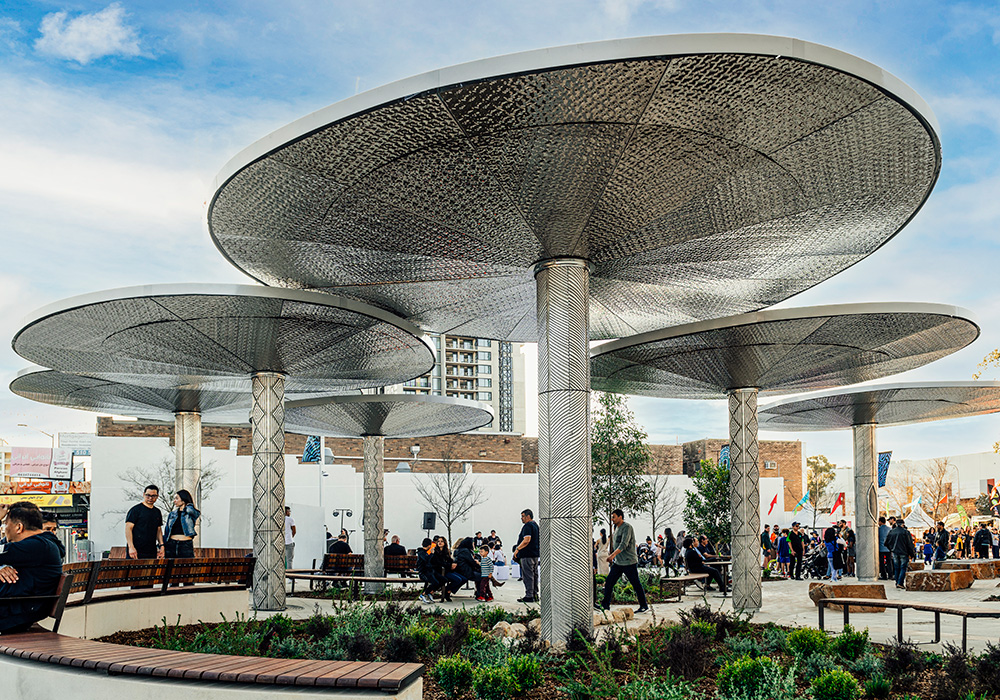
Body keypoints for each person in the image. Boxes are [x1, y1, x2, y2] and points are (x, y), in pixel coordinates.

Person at [0, 501, 64, 633]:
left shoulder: (36, 546)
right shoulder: (42, 544)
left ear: (18, 527)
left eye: (5, 524)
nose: (4, 528)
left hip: (14, 614)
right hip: (20, 609)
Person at [599, 509, 649, 614]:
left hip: (629, 562)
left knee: (636, 584)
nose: (612, 519)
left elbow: (623, 544)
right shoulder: (616, 528)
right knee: (609, 582)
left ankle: (644, 605)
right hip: (618, 562)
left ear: (620, 517)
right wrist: (613, 556)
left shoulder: (627, 527)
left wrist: (612, 555)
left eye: (614, 517)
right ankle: (605, 605)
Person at [125, 484, 164, 559]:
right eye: (148, 495)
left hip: (151, 550)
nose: (150, 498)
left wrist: (161, 545)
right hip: (136, 550)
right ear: (143, 494)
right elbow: (128, 528)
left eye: (153, 496)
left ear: (157, 496)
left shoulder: (157, 512)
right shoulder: (135, 510)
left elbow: (158, 530)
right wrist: (131, 547)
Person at [163, 489, 199, 559]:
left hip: (185, 544)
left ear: (183, 499)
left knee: (186, 567)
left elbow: (195, 513)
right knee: (170, 567)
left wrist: (187, 505)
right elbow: (167, 530)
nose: (174, 501)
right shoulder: (172, 514)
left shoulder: (190, 512)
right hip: (171, 544)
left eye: (177, 498)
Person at [514, 509, 539, 603]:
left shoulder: (527, 526)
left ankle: (529, 596)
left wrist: (517, 549)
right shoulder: (535, 525)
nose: (521, 518)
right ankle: (535, 594)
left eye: (523, 516)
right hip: (535, 554)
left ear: (528, 516)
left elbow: (527, 540)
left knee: (528, 576)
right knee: (534, 575)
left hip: (527, 555)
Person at [884, 518, 916, 589]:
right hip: (904, 552)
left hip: (895, 552)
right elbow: (909, 544)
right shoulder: (905, 532)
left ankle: (897, 582)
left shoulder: (891, 532)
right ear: (903, 524)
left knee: (896, 567)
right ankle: (900, 583)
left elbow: (886, 543)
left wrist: (891, 549)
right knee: (903, 567)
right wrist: (912, 554)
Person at [416, 538, 444, 604]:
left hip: (431, 572)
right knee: (435, 582)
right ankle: (423, 594)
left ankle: (429, 592)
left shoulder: (426, 553)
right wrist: (431, 554)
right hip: (424, 573)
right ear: (429, 546)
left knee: (443, 580)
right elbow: (426, 560)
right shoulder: (421, 552)